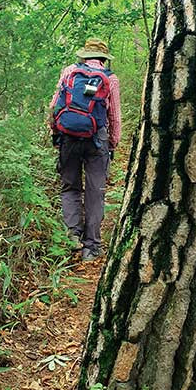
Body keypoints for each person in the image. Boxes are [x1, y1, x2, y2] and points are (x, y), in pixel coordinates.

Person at [49, 38, 121, 262]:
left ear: (84, 55)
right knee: (95, 191)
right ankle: (91, 248)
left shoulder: (70, 71)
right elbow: (114, 117)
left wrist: (56, 130)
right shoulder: (110, 78)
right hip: (96, 139)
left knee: (70, 187)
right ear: (103, 58)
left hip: (68, 136)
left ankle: (72, 235)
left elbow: (54, 106)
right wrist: (113, 143)